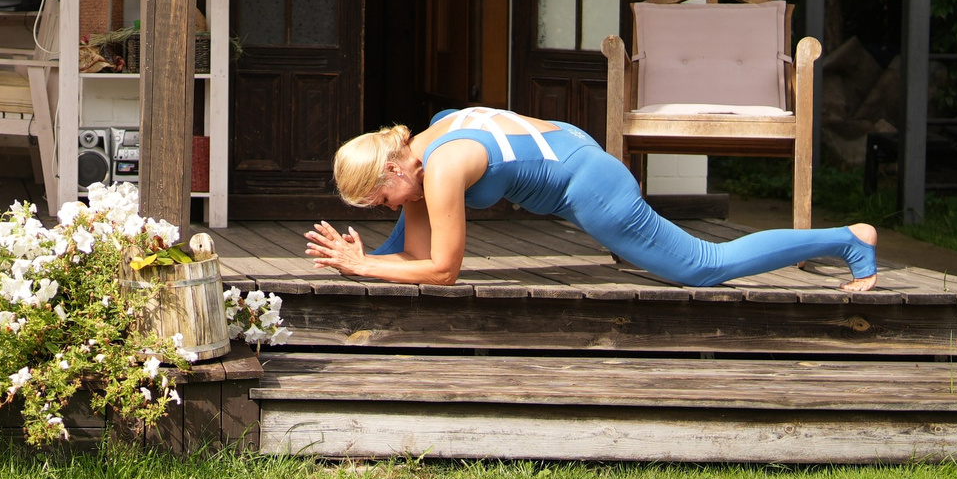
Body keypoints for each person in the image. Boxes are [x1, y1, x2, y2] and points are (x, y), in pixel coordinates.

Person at [306, 107, 878, 291]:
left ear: (390, 168)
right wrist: (365, 260)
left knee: (702, 267)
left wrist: (366, 266)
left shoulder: (442, 169)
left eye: (379, 198)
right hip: (571, 147)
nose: (386, 207)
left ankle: (848, 240)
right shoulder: (422, 145)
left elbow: (444, 269)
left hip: (591, 187)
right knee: (659, 260)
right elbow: (412, 242)